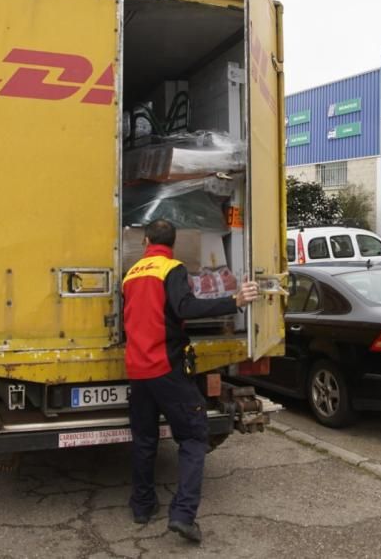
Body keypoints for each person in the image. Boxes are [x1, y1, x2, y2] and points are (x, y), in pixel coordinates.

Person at [122, 219, 259, 544]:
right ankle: (183, 515)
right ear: (172, 245)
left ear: (145, 243)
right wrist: (234, 302)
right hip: (166, 368)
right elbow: (185, 307)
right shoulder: (172, 269)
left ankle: (142, 507)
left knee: (144, 440)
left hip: (137, 370)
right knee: (194, 438)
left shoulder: (131, 274)